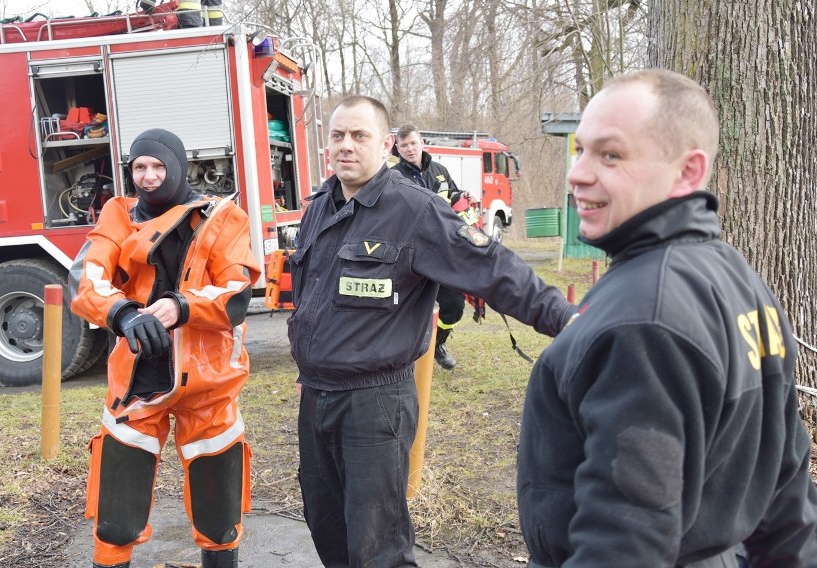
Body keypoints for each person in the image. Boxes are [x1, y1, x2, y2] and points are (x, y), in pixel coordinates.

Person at [516, 69, 817, 567]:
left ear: (689, 171)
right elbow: (787, 499)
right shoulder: (738, 278)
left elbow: (624, 544)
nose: (578, 173)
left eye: (611, 154)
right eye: (580, 150)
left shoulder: (642, 320)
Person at [287, 95, 576, 568]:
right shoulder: (321, 204)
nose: (346, 146)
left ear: (386, 146)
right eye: (337, 136)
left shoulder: (415, 210)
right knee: (328, 530)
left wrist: (567, 321)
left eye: (359, 136)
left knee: (378, 547)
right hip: (317, 396)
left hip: (374, 401)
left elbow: (494, 270)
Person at [68, 128, 260, 568]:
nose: (149, 176)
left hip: (209, 383)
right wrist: (124, 314)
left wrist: (179, 306)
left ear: (178, 167)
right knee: (116, 512)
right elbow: (88, 281)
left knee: (219, 514)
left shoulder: (221, 219)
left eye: (158, 166)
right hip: (137, 379)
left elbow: (237, 293)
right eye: (140, 167)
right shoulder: (117, 214)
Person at [391, 124, 468, 369]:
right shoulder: (393, 178)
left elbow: (454, 199)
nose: (410, 149)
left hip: (442, 252)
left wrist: (465, 198)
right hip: (410, 257)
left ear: (421, 142)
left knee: (454, 306)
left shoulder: (440, 171)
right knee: (404, 308)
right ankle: (402, 356)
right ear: (397, 148)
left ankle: (438, 344)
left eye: (413, 143)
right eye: (404, 145)